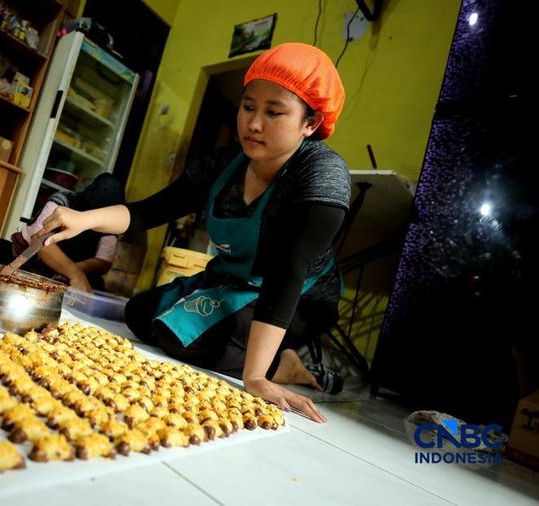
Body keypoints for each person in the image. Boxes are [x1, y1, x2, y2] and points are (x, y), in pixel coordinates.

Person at [33, 43, 350, 423]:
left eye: (273, 112)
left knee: (186, 339)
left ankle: (282, 365)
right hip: (236, 281)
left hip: (300, 297)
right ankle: (262, 353)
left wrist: (254, 377)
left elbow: (289, 269)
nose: (253, 123)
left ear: (310, 123)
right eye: (248, 106)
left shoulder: (321, 175)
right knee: (142, 312)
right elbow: (148, 211)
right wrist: (84, 219)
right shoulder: (223, 165)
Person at [0, 173, 125, 292]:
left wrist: (75, 270)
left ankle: (47, 284)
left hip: (67, 272)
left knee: (97, 285)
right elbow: (39, 241)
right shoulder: (64, 201)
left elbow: (103, 261)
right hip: (32, 261)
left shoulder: (109, 220)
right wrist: (74, 274)